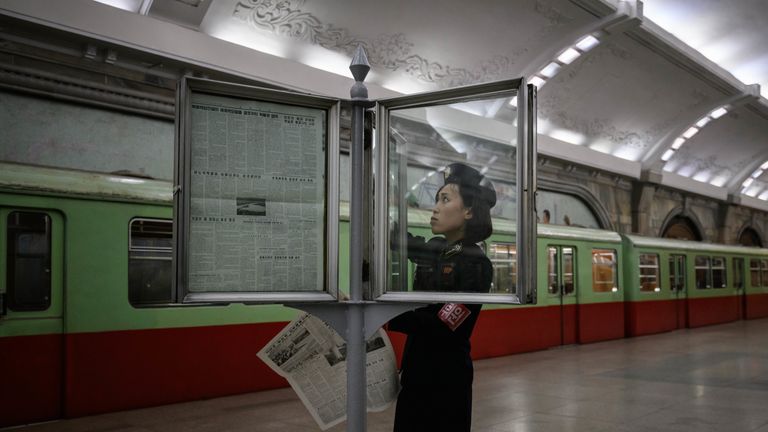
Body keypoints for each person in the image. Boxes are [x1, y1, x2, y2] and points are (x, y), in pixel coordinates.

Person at [389, 163, 496, 432]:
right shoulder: (439, 249)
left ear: (469, 211)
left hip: (446, 380)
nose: (435, 208)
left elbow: (446, 326)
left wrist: (390, 315)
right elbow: (403, 242)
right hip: (416, 371)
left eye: (445, 199)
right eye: (437, 199)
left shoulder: (476, 263)